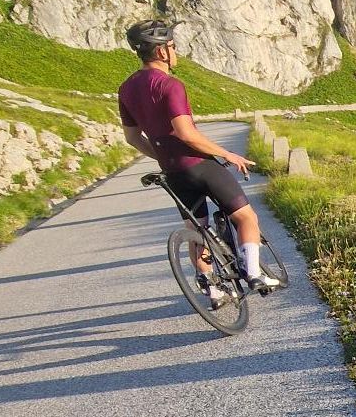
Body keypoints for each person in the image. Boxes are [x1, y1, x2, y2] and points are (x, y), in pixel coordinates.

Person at [118, 19, 282, 294]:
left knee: (197, 229)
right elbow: (186, 134)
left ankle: (212, 288)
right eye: (172, 46)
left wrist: (164, 158)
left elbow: (132, 138)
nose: (175, 52)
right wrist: (227, 154)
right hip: (199, 166)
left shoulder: (126, 89)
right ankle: (254, 274)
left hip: (173, 173)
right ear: (161, 51)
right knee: (246, 218)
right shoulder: (170, 85)